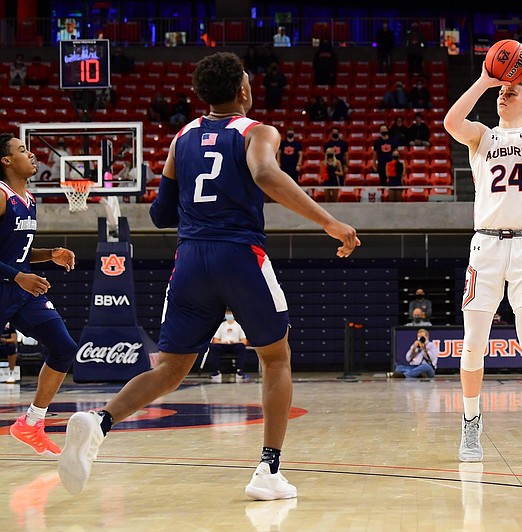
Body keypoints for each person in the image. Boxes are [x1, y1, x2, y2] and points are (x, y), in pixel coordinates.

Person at [57, 52, 360, 500]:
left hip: (190, 259)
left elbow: (161, 213)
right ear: (242, 89)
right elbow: (264, 173)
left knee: (171, 368)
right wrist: (328, 221)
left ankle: (100, 422)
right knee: (275, 358)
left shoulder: (183, 138)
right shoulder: (258, 131)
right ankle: (268, 471)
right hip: (239, 253)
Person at [443, 44, 522, 463]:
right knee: (473, 342)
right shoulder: (481, 134)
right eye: (502, 91)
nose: (504, 94)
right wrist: (484, 79)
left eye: (512, 91)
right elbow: (450, 121)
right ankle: (470, 427)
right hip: (486, 246)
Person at [1, 133, 78, 455]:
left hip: (20, 290)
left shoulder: (29, 199)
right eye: (21, 150)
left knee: (63, 348)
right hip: (12, 284)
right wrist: (18, 276)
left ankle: (32, 422)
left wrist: (49, 254)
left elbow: (17, 251)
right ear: (5, 161)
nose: (30, 154)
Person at [206, 309, 250, 383]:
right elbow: (215, 340)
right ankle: (216, 371)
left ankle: (239, 370)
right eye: (227, 313)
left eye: (230, 313)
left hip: (235, 345)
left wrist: (235, 342)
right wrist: (223, 342)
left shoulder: (238, 325)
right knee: (214, 347)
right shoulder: (221, 325)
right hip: (223, 345)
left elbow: (244, 340)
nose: (229, 315)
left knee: (241, 347)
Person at [372, 124, 399, 191]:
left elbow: (396, 153)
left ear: (387, 130)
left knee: (392, 180)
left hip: (391, 164)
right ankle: (383, 194)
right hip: (381, 164)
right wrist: (374, 164)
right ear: (380, 131)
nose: (383, 131)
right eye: (382, 130)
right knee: (382, 181)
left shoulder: (393, 140)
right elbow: (375, 154)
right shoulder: (377, 142)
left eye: (384, 129)